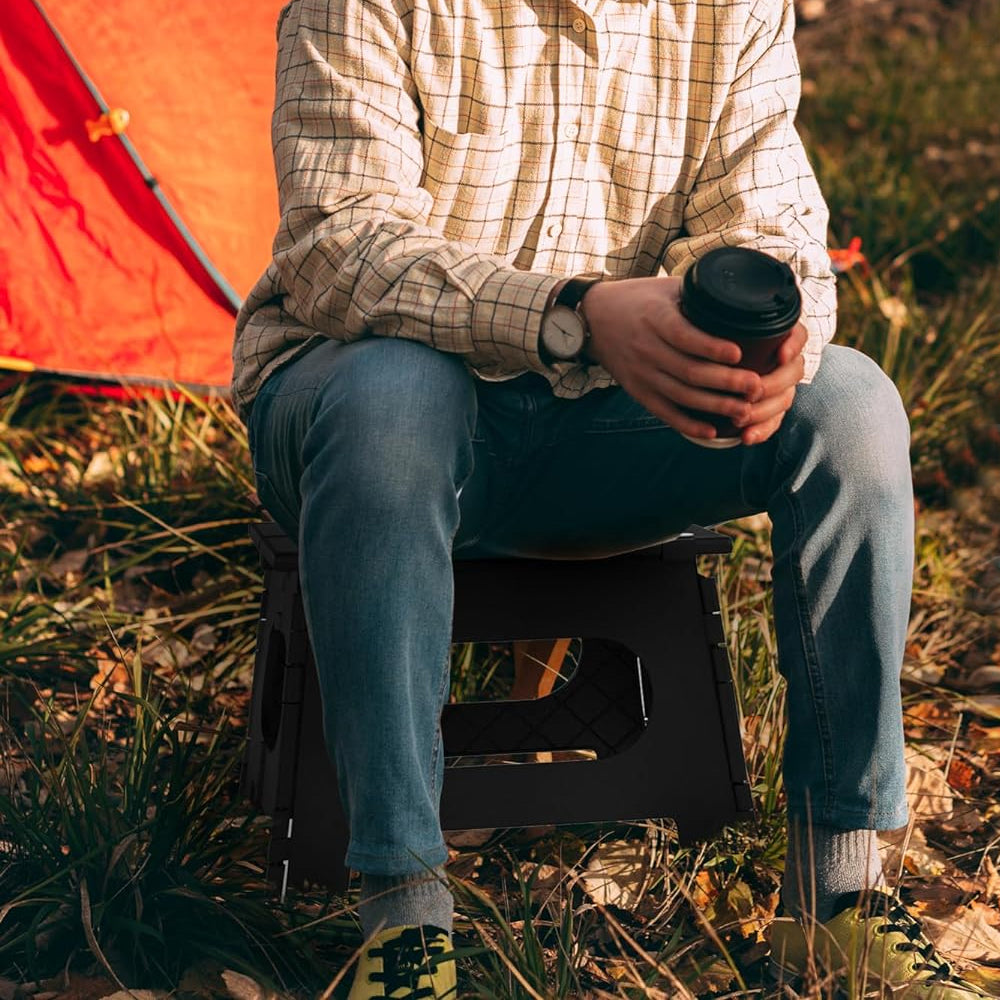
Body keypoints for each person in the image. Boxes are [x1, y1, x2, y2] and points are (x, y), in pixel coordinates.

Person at [233, 1, 992, 997]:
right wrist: (578, 316)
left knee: (850, 405)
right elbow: (341, 250)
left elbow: (777, 234)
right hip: (379, 411)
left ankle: (835, 900)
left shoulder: (730, 9)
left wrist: (758, 340)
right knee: (391, 400)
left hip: (616, 420)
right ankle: (405, 916)